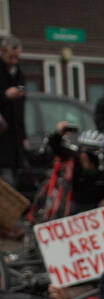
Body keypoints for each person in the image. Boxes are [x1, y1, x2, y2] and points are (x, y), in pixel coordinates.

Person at [37, 125, 104, 216]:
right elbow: (56, 146)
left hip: (96, 206)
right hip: (74, 203)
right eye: (82, 151)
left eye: (88, 153)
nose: (84, 156)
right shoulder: (75, 159)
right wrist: (59, 134)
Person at [0, 34, 27, 190]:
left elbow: (20, 109)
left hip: (14, 139)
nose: (14, 61)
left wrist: (23, 136)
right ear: (2, 51)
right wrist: (5, 95)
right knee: (7, 183)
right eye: (11, 56)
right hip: (2, 139)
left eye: (17, 57)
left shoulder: (19, 74)